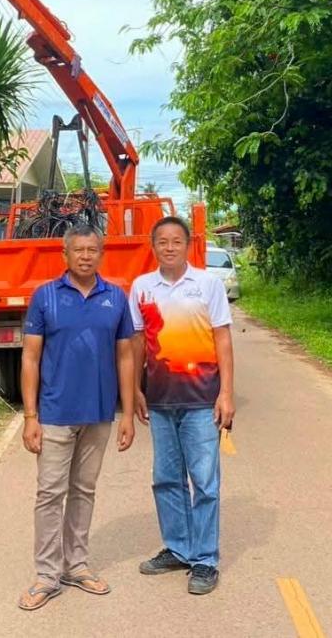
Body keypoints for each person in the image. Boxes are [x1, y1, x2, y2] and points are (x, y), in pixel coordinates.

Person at [18, 223, 136, 612]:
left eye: (93, 250)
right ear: (65, 255)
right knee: (50, 494)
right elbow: (31, 358)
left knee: (84, 491)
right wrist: (30, 415)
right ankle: (47, 575)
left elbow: (125, 356)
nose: (86, 256)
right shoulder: (45, 297)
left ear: (101, 254)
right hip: (54, 413)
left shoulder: (115, 298)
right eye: (79, 250)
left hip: (99, 413)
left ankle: (77, 565)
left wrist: (126, 413)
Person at [130, 215, 235, 596]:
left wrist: (227, 393)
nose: (169, 247)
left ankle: (205, 559)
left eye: (176, 241)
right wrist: (134, 391)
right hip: (159, 399)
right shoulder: (142, 288)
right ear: (153, 246)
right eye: (163, 241)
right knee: (166, 479)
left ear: (187, 245)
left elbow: (222, 339)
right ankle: (178, 548)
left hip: (201, 398)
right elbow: (138, 344)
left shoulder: (207, 284)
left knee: (205, 482)